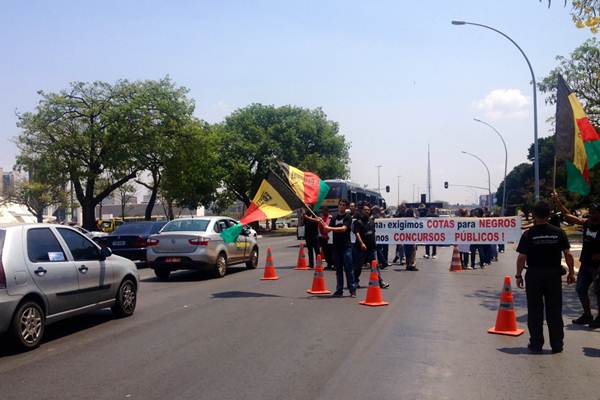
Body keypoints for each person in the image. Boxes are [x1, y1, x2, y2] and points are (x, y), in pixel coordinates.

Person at [516, 201, 575, 354]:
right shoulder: (558, 232)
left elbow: (522, 257)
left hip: (534, 275)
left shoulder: (528, 234)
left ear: (534, 215)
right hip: (553, 275)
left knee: (535, 311)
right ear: (549, 215)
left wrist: (518, 275)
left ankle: (536, 344)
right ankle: (557, 344)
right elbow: (568, 254)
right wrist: (571, 272)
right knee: (554, 311)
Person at [552, 192, 600, 328]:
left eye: (595, 212)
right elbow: (568, 216)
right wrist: (558, 202)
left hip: (598, 266)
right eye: (591, 212)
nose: (592, 215)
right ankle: (587, 315)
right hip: (586, 264)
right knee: (580, 289)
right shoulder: (587, 224)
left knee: (598, 292)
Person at [319, 199, 356, 298]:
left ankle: (352, 290)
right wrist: (322, 223)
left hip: (346, 247)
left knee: (348, 269)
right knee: (338, 270)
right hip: (336, 248)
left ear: (346, 207)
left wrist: (330, 228)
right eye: (340, 204)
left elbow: (344, 229)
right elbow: (327, 230)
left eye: (344, 205)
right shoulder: (334, 217)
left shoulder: (348, 217)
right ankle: (339, 290)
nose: (341, 206)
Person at [353, 202, 389, 289]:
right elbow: (357, 233)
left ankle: (380, 282)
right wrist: (362, 243)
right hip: (361, 248)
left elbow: (372, 234)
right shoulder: (358, 222)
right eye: (365, 210)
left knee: (375, 266)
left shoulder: (372, 222)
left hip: (371, 249)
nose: (367, 211)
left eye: (368, 210)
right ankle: (355, 281)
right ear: (362, 211)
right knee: (358, 266)